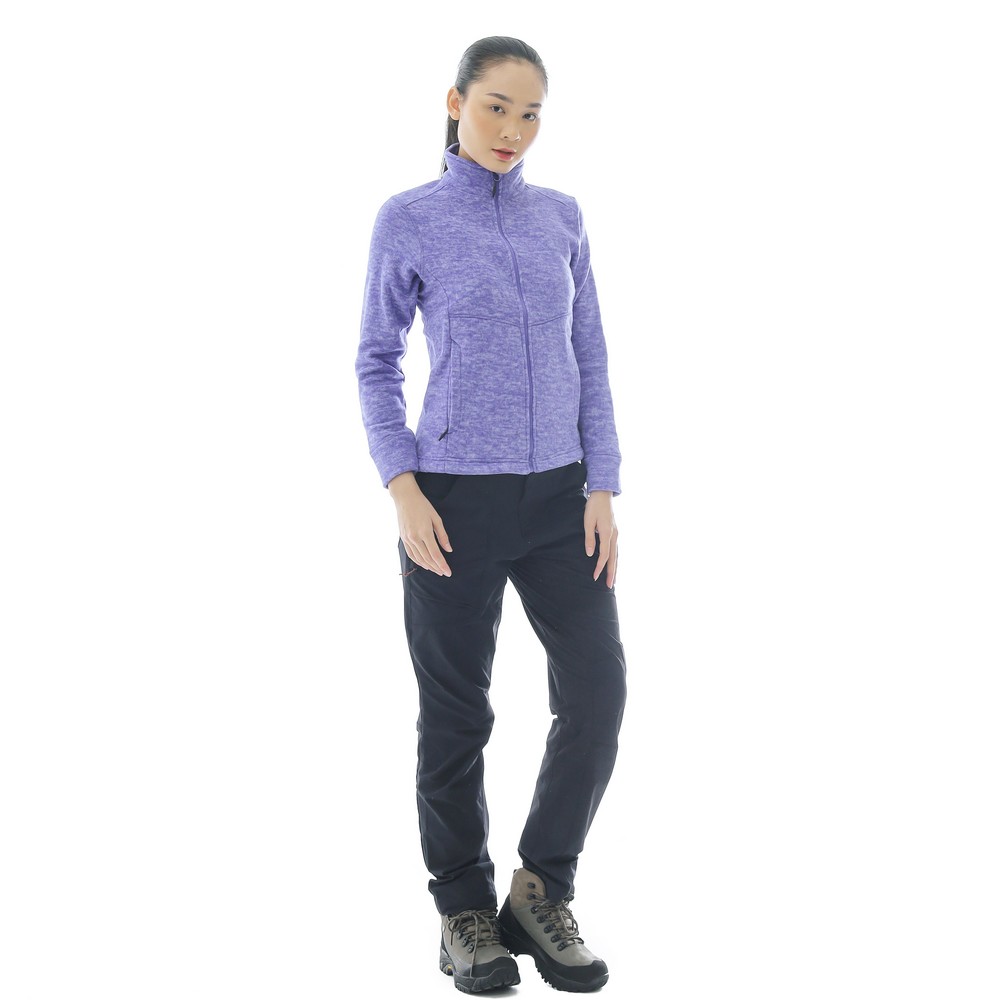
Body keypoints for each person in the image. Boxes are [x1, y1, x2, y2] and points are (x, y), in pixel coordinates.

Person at [355, 36, 627, 994]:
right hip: (452, 504)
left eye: (531, 113)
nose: (513, 129)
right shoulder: (411, 218)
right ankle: (463, 910)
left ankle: (540, 889)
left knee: (597, 694)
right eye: (496, 107)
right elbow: (375, 360)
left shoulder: (562, 217)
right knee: (456, 711)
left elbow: (590, 353)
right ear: (456, 103)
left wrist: (603, 485)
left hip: (561, 501)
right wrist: (403, 487)